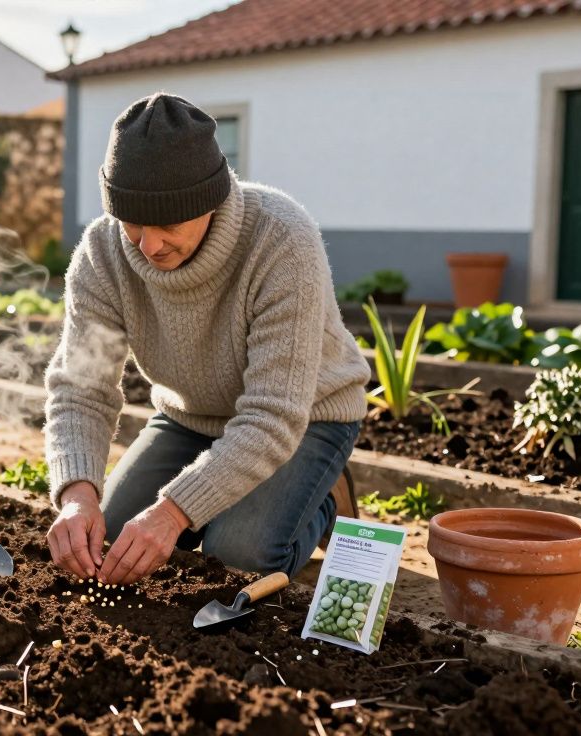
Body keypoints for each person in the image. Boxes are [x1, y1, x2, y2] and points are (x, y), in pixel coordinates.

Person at [43, 92, 370, 586]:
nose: (149, 246)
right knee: (106, 541)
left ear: (210, 202)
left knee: (236, 554)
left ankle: (322, 498)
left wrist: (173, 514)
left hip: (305, 418)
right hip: (190, 418)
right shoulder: (101, 254)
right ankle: (233, 497)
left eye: (168, 224)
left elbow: (272, 416)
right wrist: (77, 496)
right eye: (132, 223)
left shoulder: (281, 240)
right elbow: (81, 389)